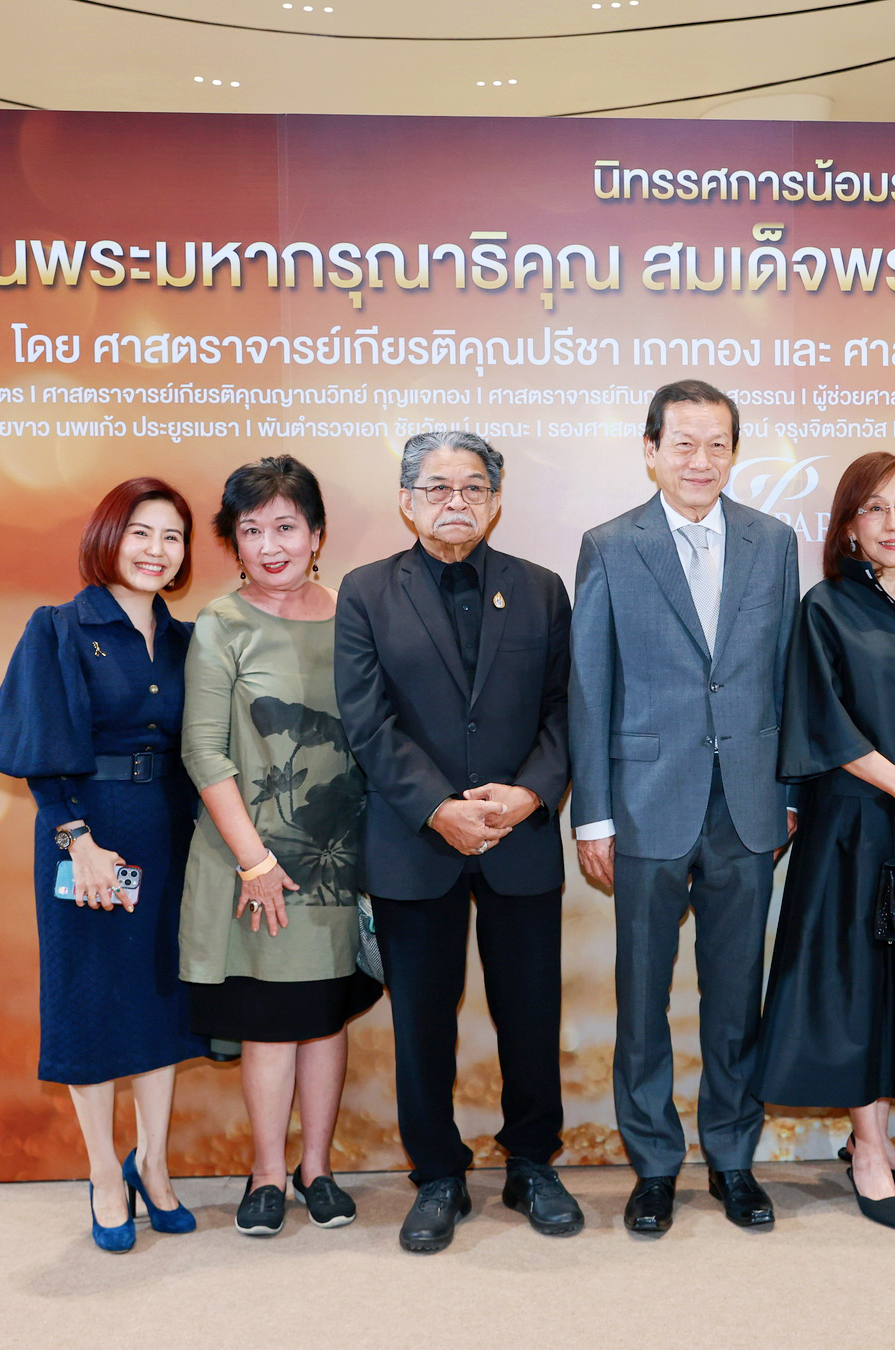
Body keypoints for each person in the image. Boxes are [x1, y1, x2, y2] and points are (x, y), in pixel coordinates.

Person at [335, 431, 580, 1251]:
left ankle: (531, 1162)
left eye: (473, 488)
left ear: (496, 501)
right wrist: (438, 806)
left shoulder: (541, 590)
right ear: (406, 500)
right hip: (416, 843)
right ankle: (437, 1174)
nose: (456, 502)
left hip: (519, 840)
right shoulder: (367, 593)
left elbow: (564, 711)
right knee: (423, 1026)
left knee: (529, 1014)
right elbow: (367, 722)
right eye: (437, 487)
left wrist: (530, 794)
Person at [569, 379, 800, 1234]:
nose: (700, 460)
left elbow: (785, 677)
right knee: (643, 999)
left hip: (748, 807)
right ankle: (655, 1164)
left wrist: (788, 794)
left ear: (734, 452)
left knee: (736, 995)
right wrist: (592, 814)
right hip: (643, 805)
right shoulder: (609, 544)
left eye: (717, 445)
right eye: (684, 444)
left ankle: (733, 1159)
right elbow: (590, 687)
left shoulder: (773, 540)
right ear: (651, 449)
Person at [0, 478, 209, 1253]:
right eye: (141, 533)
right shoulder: (60, 628)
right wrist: (79, 840)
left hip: (171, 834)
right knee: (89, 1002)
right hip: (88, 834)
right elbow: (40, 749)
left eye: (172, 537)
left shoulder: (188, 640)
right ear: (109, 538)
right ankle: (106, 1173)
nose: (156, 550)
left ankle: (155, 1162)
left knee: (159, 1002)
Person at [754, 452, 895, 1232]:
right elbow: (824, 721)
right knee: (856, 988)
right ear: (849, 526)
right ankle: (869, 1147)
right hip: (854, 828)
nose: (894, 523)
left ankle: (880, 1136)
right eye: (876, 509)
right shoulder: (825, 608)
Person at [178, 456, 381, 1239]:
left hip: (343, 854)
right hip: (252, 857)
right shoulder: (222, 625)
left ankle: (316, 1168)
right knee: (269, 1021)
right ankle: (266, 1173)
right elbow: (204, 753)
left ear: (317, 534)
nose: (270, 545)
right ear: (233, 542)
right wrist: (256, 862)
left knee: (323, 1015)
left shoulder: (355, 613)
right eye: (251, 530)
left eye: (285, 527)